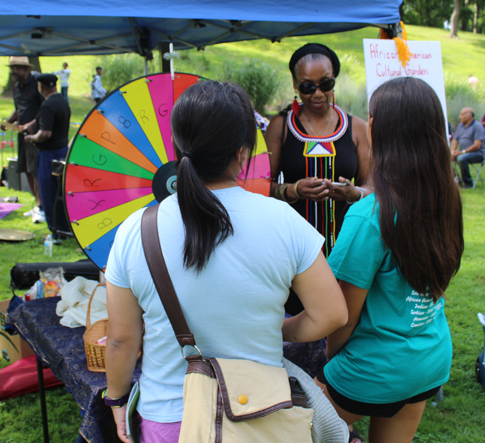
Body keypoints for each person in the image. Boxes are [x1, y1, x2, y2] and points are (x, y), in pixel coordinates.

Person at [104, 81, 347, 443]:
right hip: (260, 414)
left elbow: (122, 339)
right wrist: (274, 329)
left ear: (176, 146)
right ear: (242, 152)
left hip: (169, 418)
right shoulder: (283, 221)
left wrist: (117, 397)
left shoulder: (134, 231)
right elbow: (332, 315)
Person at [315, 77, 464, 443]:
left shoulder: (370, 215)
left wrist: (327, 369)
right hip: (428, 361)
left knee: (287, 428)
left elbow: (340, 318)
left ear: (383, 130)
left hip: (372, 370)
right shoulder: (447, 198)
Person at [265, 43, 370, 316]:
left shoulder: (356, 127)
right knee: (299, 316)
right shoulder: (281, 126)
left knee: (345, 315)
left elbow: (375, 188)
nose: (318, 94)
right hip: (294, 248)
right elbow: (259, 186)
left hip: (348, 243)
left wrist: (353, 193)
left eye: (326, 83)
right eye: (307, 87)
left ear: (335, 78)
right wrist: (292, 189)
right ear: (295, 85)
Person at [23, 74, 71, 240]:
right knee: (61, 194)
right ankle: (65, 228)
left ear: (41, 87)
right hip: (63, 151)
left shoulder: (48, 105)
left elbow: (45, 134)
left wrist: (31, 138)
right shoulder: (63, 102)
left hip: (48, 155)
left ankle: (55, 231)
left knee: (48, 194)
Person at [0, 56, 44, 222]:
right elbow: (19, 109)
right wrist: (9, 122)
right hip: (21, 134)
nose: (13, 72)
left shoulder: (36, 83)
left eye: (17, 68)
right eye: (12, 68)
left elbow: (44, 107)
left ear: (26, 69)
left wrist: (33, 124)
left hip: (35, 136)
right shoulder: (16, 87)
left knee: (35, 169)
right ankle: (37, 205)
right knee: (26, 169)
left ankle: (42, 206)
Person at [451, 107, 485, 189]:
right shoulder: (460, 126)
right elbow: (455, 141)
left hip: (478, 153)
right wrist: (452, 151)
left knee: (461, 158)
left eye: (462, 115)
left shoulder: (478, 126)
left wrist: (462, 152)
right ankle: (455, 180)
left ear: (469, 116)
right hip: (463, 153)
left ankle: (468, 183)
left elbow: (477, 145)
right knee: (446, 157)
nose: (460, 116)